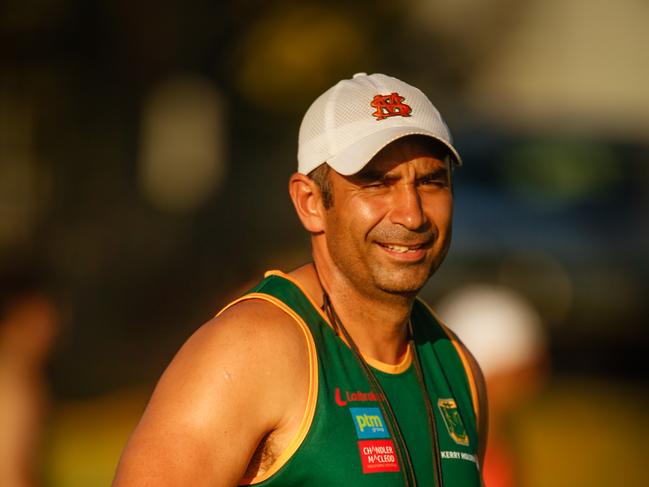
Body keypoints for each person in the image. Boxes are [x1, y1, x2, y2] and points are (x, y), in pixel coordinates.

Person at [113, 73, 487, 486]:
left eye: (431, 182)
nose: (411, 214)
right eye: (377, 183)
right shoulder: (252, 349)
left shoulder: (456, 365)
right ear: (310, 203)